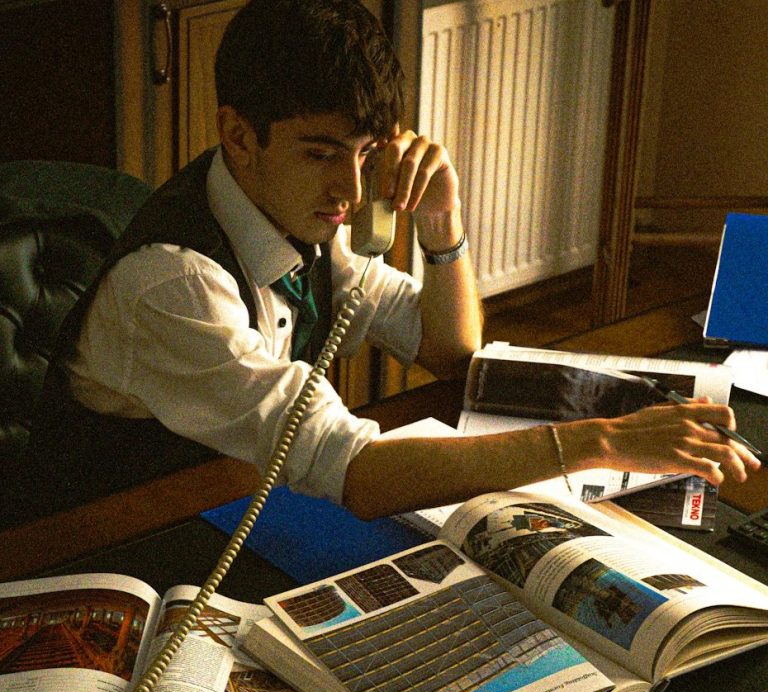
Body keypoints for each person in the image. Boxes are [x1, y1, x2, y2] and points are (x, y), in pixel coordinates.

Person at [23, 0, 759, 523]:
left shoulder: (302, 218)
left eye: (366, 154)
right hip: (108, 537)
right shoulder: (174, 286)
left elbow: (451, 349)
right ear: (238, 136)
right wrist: (600, 440)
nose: (350, 189)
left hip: (229, 493)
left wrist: (443, 226)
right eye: (321, 153)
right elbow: (359, 473)